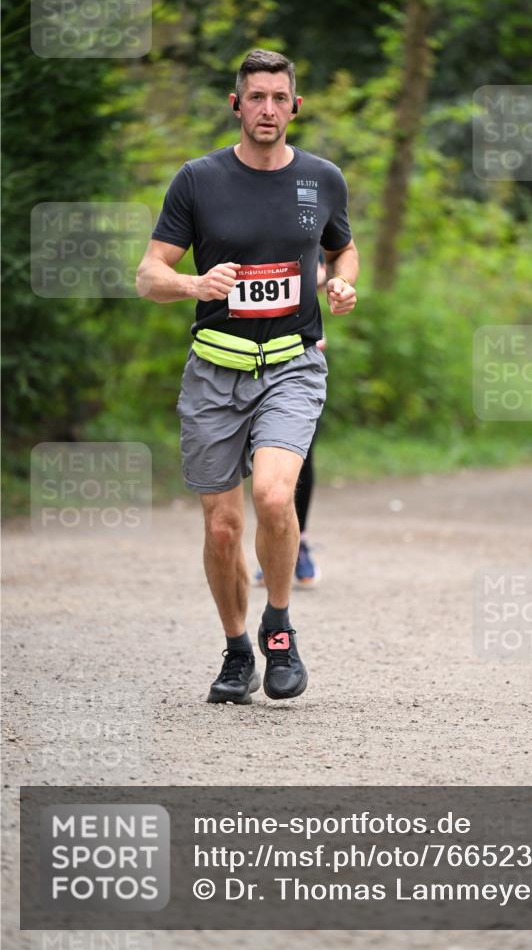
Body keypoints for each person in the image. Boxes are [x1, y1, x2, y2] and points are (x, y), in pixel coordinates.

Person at [136, 49, 358, 705]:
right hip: (214, 369)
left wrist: (343, 283)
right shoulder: (197, 180)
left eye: (278, 98)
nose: (267, 109)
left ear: (296, 105)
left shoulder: (321, 178)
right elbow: (148, 274)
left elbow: (340, 246)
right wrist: (191, 283)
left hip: (292, 362)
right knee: (221, 528)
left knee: (271, 496)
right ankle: (236, 650)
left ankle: (279, 627)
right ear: (237, 105)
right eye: (255, 97)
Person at [253, 253, 327, 590]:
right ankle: (273, 547)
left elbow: (328, 265)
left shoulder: (306, 207)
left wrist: (322, 279)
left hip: (299, 356)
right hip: (237, 357)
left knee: (300, 454)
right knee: (259, 462)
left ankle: (300, 544)